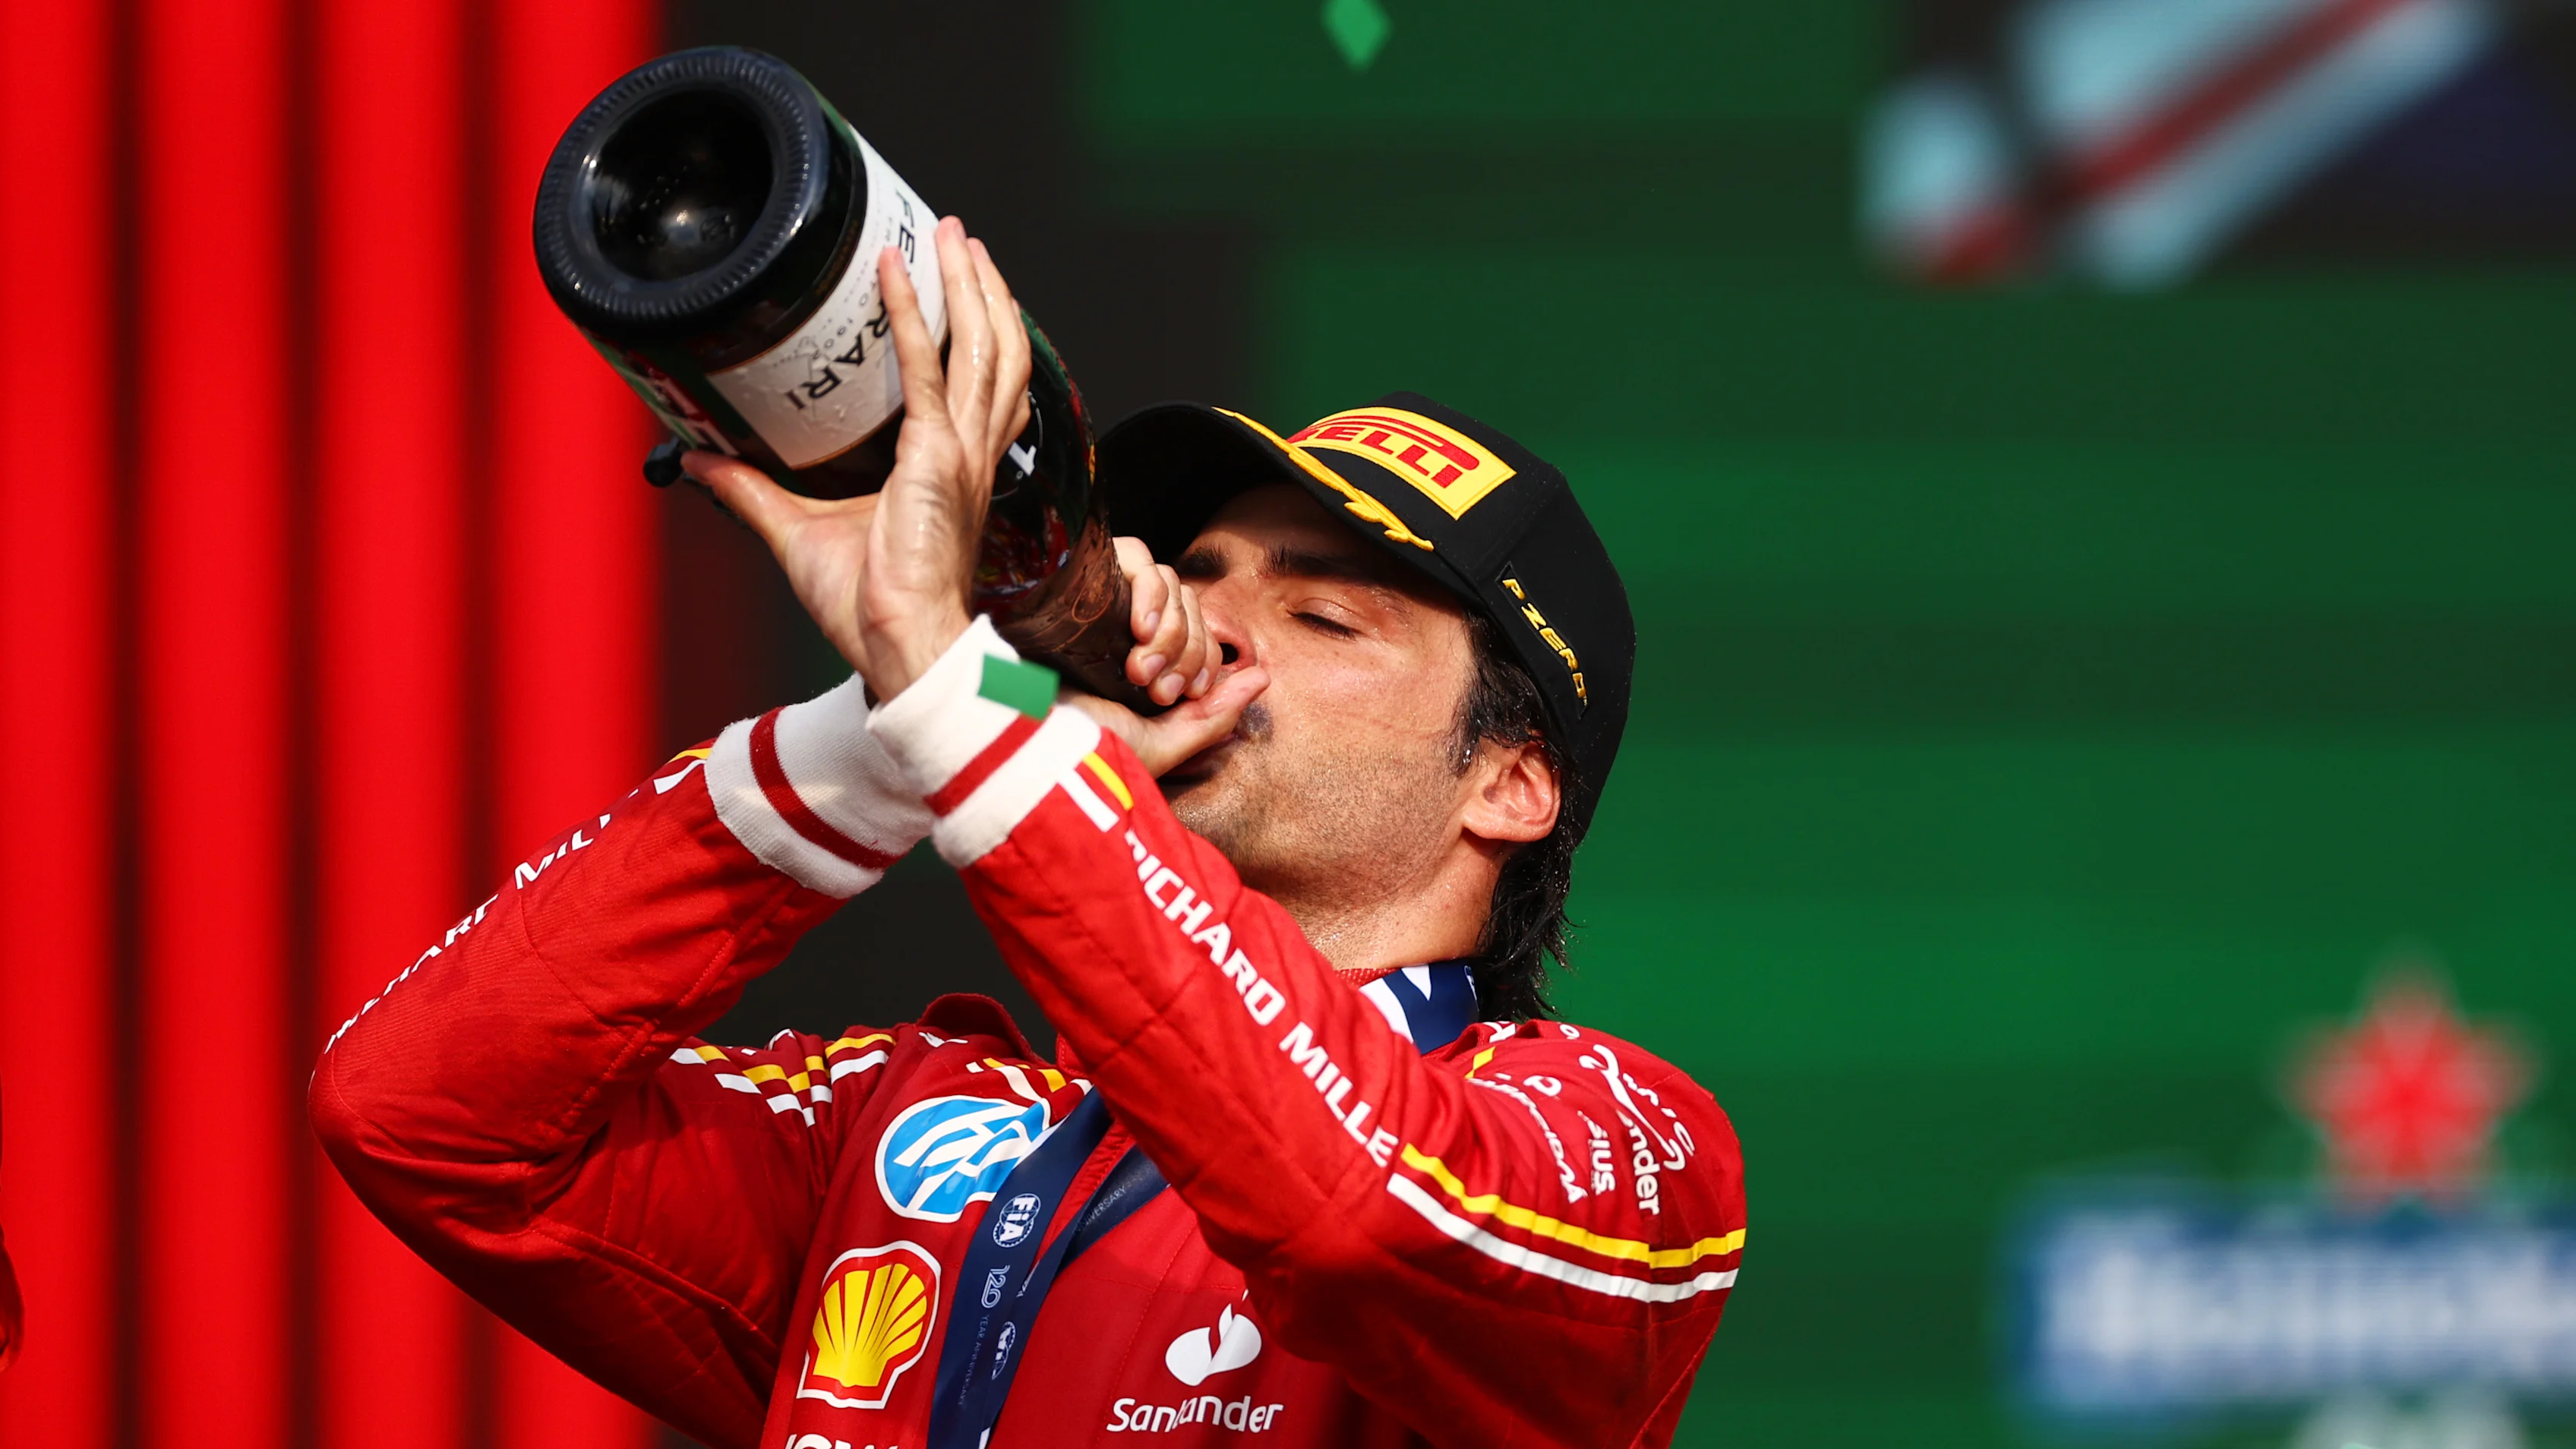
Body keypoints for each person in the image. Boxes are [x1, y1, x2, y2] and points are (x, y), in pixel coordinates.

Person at [311, 219, 1744, 1449]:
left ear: (1510, 784)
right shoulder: (917, 1135)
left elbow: (1348, 1207)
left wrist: (970, 709)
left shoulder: (1619, 1149)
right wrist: (883, 732)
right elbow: (430, 1117)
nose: (1208, 624)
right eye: (1193, 572)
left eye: (1321, 615)